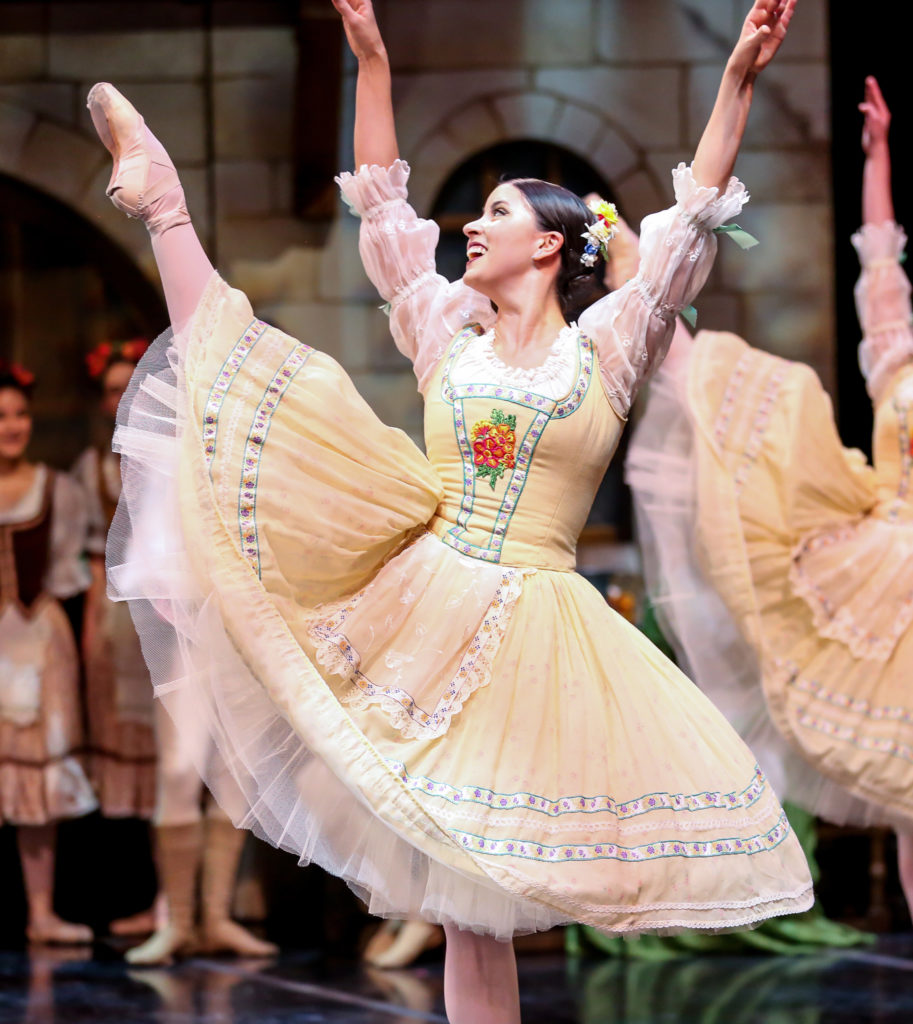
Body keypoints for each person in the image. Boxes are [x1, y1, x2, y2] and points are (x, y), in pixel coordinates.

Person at [90, 0, 810, 1019]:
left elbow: (688, 221)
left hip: (539, 636)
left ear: (553, 246)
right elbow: (384, 213)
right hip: (430, 601)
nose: (470, 223)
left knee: (484, 901)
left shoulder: (605, 348)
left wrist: (735, 76)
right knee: (276, 387)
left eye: (497, 213)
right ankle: (165, 205)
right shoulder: (445, 334)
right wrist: (371, 61)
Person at [627, 75, 913, 917]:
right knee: (907, 800)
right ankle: (635, 289)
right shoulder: (899, 368)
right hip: (883, 575)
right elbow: (879, 266)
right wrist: (877, 157)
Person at [0, 361, 96, 944]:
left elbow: (68, 576)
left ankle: (40, 912)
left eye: (18, 414)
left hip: (40, 637)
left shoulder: (58, 489)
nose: (11, 425)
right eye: (0, 416)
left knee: (39, 781)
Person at [75, 340, 159, 937]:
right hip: (115, 623)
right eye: (111, 389)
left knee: (169, 763)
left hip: (165, 619)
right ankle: (134, 897)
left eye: (129, 385)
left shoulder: (165, 455)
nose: (121, 397)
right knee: (120, 764)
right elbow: (88, 563)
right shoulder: (93, 469)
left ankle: (170, 904)